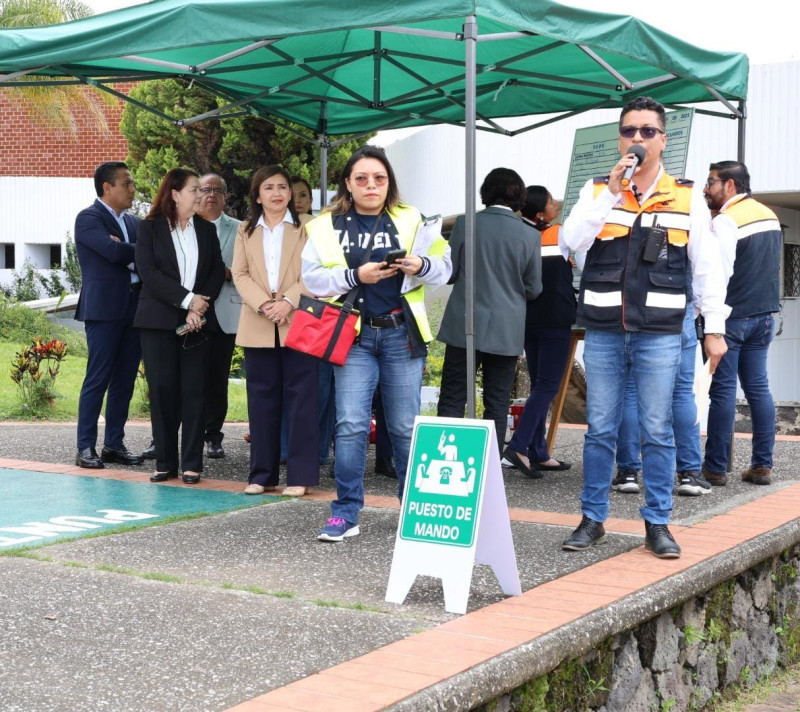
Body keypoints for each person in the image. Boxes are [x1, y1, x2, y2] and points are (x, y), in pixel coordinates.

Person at [561, 96, 729, 559]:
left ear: (663, 140)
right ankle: (592, 519)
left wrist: (714, 327)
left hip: (660, 332)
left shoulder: (686, 196)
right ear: (620, 138)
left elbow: (707, 267)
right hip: (604, 331)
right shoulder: (598, 190)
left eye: (647, 131)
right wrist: (610, 194)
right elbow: (570, 241)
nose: (637, 138)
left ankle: (657, 522)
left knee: (657, 429)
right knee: (600, 429)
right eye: (629, 131)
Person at [302, 145, 451, 542]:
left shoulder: (413, 218)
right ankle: (345, 512)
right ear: (348, 184)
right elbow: (312, 279)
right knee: (350, 425)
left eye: (379, 178)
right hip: (353, 335)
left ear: (389, 183)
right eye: (362, 178)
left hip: (401, 333)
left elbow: (444, 268)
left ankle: (414, 509)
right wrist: (356, 276)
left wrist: (421, 265)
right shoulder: (325, 225)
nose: (371, 185)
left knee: (404, 427)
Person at [437, 167, 542, 453]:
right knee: (497, 401)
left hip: (464, 322)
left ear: (486, 192)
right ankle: (488, 464)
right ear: (519, 196)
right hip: (507, 327)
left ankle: (445, 462)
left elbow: (449, 273)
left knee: (453, 396)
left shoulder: (465, 224)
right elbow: (534, 288)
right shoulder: (530, 235)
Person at [134, 168, 225, 485]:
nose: (201, 195)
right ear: (174, 194)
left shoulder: (206, 229)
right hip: (158, 323)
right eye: (194, 190)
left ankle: (191, 464)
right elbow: (149, 272)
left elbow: (215, 272)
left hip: (197, 324)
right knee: (162, 392)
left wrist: (199, 305)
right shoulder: (150, 228)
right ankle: (165, 462)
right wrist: (188, 302)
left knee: (195, 392)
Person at [232, 165, 319, 497]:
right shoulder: (245, 230)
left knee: (302, 401)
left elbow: (315, 271)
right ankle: (261, 475)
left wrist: (287, 301)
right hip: (258, 321)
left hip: (298, 318)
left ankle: (300, 476)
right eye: (268, 187)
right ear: (257, 195)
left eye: (282, 187)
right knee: (261, 402)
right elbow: (240, 274)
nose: (277, 193)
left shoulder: (308, 226)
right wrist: (264, 304)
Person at [702, 161, 781, 487]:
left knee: (722, 392)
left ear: (730, 185)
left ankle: (715, 468)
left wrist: (711, 323)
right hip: (764, 316)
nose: (706, 189)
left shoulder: (726, 220)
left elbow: (717, 275)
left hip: (731, 318)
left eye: (711, 182)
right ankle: (762, 466)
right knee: (759, 389)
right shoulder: (768, 214)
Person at [501, 186, 576, 477]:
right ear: (542, 212)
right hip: (555, 319)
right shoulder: (560, 234)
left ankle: (538, 451)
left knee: (538, 385)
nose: (556, 203)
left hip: (526, 319)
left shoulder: (516, 234)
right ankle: (519, 445)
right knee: (547, 385)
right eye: (551, 201)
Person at [74, 162, 144, 469]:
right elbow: (112, 252)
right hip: (104, 310)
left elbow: (149, 257)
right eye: (126, 183)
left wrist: (125, 249)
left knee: (125, 380)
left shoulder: (135, 223)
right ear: (107, 187)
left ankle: (114, 444)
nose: (133, 190)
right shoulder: (89, 218)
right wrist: (132, 251)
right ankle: (85, 447)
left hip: (135, 307)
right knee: (98, 377)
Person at [198, 173, 241, 459]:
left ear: (225, 197)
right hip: (190, 310)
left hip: (224, 310)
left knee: (216, 378)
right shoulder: (184, 225)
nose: (211, 194)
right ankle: (168, 436)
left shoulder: (241, 229)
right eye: (205, 190)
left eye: (217, 190)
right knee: (183, 377)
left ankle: (213, 435)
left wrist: (226, 272)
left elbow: (250, 270)